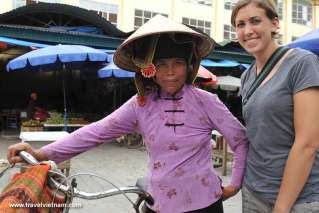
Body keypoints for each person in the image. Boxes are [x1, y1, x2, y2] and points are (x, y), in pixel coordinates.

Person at [7, 15, 248, 213]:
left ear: (189, 65)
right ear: (149, 70)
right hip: (158, 206)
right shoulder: (141, 104)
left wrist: (234, 184)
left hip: (205, 205)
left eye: (178, 63)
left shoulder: (206, 101)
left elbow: (239, 140)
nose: (171, 72)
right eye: (162, 65)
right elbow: (95, 132)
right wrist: (41, 153)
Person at [231, 0, 319, 212]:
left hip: (299, 198)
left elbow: (308, 143)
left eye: (255, 21)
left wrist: (281, 207)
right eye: (240, 24)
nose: (248, 30)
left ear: (275, 24)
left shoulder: (301, 63)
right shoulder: (246, 76)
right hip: (254, 191)